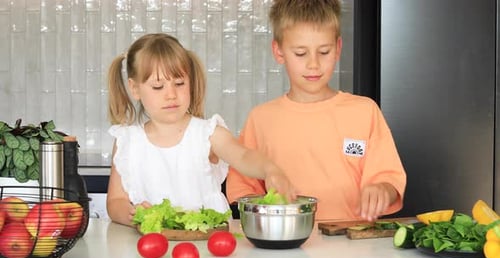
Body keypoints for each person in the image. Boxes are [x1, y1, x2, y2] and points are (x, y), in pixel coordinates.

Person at [227, 0, 406, 221]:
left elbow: (390, 181)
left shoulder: (364, 111)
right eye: (301, 53)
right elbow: (243, 190)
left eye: (324, 51)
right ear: (279, 51)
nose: (314, 64)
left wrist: (382, 190)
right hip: (286, 246)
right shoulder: (261, 118)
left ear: (338, 48)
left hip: (353, 247)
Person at [105, 33, 296, 227]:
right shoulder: (127, 142)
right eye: (158, 86)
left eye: (179, 84)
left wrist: (271, 170)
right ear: (135, 88)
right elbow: (115, 202)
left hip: (209, 247)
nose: (171, 95)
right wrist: (131, 214)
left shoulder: (209, 134)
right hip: (152, 248)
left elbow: (244, 157)